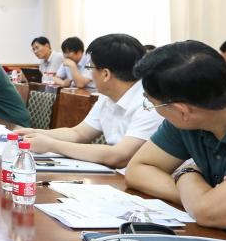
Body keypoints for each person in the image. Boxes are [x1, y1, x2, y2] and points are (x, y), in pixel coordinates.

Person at [126, 41, 226, 241]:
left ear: (182, 111)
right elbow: (137, 170)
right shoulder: (193, 117)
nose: (154, 109)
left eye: (152, 104)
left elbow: (213, 213)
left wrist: (186, 175)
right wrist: (204, 194)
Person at [16, 34, 163, 168]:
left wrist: (51, 145)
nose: (89, 73)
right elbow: (79, 133)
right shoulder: (106, 96)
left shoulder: (150, 103)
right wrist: (35, 133)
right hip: (115, 174)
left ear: (105, 74)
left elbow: (119, 156)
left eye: (90, 67)